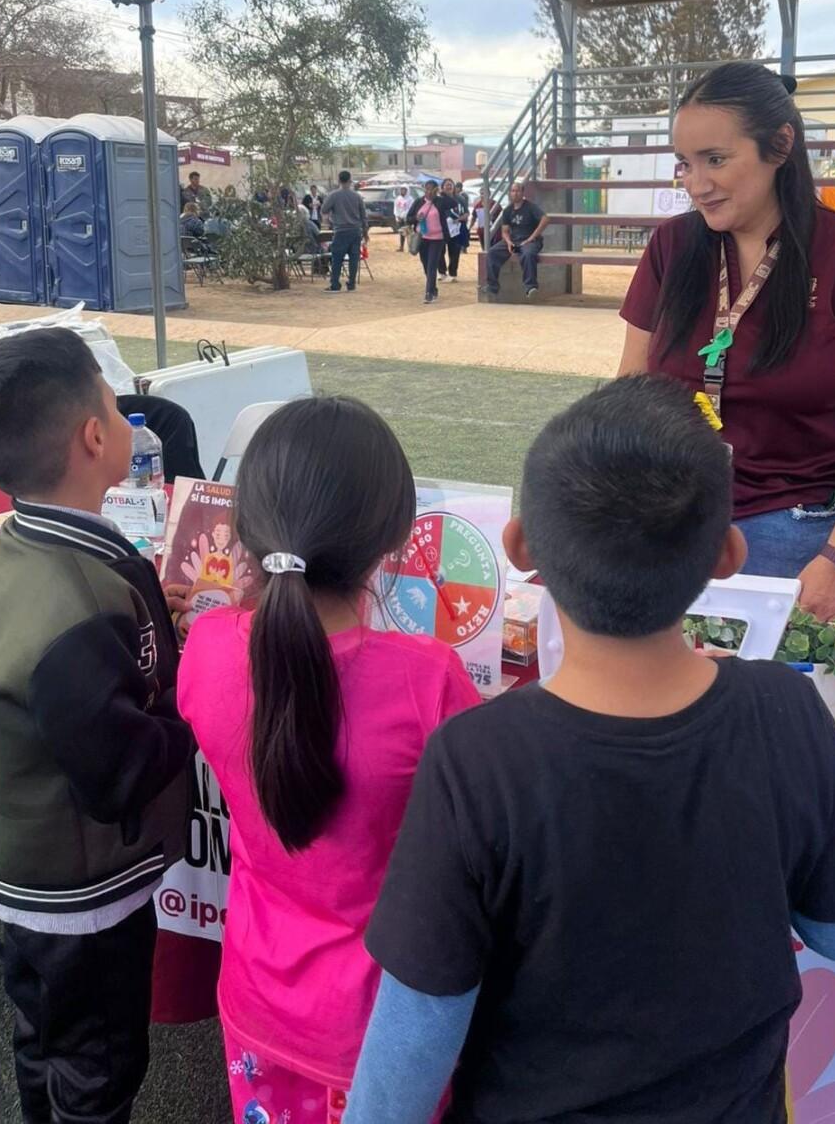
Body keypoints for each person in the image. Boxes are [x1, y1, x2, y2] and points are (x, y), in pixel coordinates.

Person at [344, 375, 835, 1124]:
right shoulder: (785, 712)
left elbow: (410, 1047)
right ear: (727, 555)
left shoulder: (476, 759)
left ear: (521, 547)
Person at [178, 396, 480, 1124]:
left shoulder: (209, 645)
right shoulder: (428, 680)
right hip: (384, 1029)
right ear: (396, 543)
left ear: (245, 527)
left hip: (257, 998)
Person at [0, 330, 194, 1124]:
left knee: (42, 1036)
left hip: (15, 869)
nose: (129, 418)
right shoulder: (76, 600)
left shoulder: (8, 553)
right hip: (80, 890)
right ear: (96, 436)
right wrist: (193, 704)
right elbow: (118, 770)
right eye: (115, 403)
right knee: (99, 1063)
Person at [617, 61, 835, 621]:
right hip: (674, 525)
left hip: (801, 539)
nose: (696, 183)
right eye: (684, 163)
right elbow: (630, 392)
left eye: (716, 159)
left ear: (780, 146)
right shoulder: (672, 246)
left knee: (789, 708)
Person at [485, 181, 549, 298]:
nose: (515, 194)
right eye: (513, 191)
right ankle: (492, 286)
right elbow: (504, 231)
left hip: (530, 241)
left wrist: (531, 238)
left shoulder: (530, 207)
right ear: (510, 193)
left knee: (528, 254)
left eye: (518, 191)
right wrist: (509, 242)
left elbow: (545, 219)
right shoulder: (507, 210)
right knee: (492, 253)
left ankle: (531, 287)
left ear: (522, 192)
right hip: (514, 240)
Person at [406, 180, 454, 304]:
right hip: (422, 238)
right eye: (426, 189)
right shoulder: (418, 202)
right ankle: (433, 288)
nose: (428, 191)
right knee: (426, 265)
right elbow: (408, 218)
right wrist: (416, 218)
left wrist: (442, 193)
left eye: (431, 189)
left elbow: (453, 203)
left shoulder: (440, 201)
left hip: (437, 239)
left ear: (435, 189)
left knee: (432, 265)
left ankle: (429, 293)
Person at [321, 170, 369, 293]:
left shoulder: (334, 195)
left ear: (339, 180)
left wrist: (332, 215)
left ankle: (335, 284)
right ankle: (351, 284)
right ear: (350, 180)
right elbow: (364, 215)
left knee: (337, 258)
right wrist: (365, 232)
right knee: (354, 259)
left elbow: (324, 209)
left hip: (340, 230)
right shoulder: (357, 196)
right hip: (355, 231)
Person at [436, 177, 467, 281]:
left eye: (451, 184)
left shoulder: (460, 199)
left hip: (456, 228)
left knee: (454, 251)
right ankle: (441, 272)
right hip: (442, 228)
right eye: (446, 185)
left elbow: (466, 213)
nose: (449, 186)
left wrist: (459, 219)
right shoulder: (439, 200)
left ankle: (453, 274)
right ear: (442, 187)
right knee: (440, 251)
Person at [394, 184, 415, 251]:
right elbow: (396, 208)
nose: (402, 191)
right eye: (401, 189)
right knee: (401, 233)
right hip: (400, 218)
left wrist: (405, 215)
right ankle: (401, 247)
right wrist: (397, 216)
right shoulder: (398, 198)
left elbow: (410, 209)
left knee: (408, 233)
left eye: (404, 189)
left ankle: (410, 247)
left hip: (407, 218)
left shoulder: (410, 199)